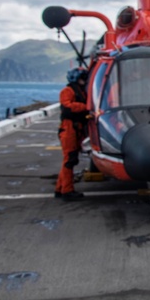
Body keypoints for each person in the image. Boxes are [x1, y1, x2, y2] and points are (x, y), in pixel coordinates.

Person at [55, 67, 89, 200]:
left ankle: (60, 188)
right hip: (69, 129)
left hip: (76, 129)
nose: (84, 80)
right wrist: (85, 107)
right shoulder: (67, 91)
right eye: (82, 78)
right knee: (70, 160)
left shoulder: (81, 92)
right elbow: (67, 107)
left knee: (70, 160)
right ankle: (67, 190)